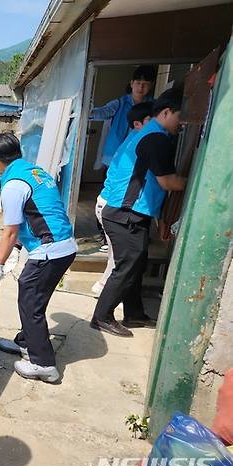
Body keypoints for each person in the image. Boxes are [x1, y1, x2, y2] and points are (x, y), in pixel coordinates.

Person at [91, 88, 187, 337]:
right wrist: (196, 182)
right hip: (125, 212)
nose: (182, 123)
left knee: (137, 262)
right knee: (127, 264)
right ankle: (101, 316)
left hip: (132, 211)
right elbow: (168, 182)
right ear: (166, 112)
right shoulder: (155, 139)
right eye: (180, 116)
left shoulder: (146, 133)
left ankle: (134, 314)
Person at [0, 132, 77, 383]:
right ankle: (26, 342)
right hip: (63, 245)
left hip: (50, 250)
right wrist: (16, 251)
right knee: (33, 296)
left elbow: (11, 230)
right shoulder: (35, 172)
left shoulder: (13, 184)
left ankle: (43, 364)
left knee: (30, 301)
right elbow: (35, 214)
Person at [92, 101, 154, 296]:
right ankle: (103, 291)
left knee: (116, 256)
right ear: (138, 123)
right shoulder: (141, 142)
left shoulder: (133, 138)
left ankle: (106, 292)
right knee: (118, 258)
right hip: (111, 205)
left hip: (106, 202)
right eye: (153, 121)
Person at [91, 65, 156, 250]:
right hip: (116, 158)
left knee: (135, 197)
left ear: (150, 85)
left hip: (141, 160)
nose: (141, 87)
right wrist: (87, 109)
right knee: (108, 196)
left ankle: (130, 235)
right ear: (131, 84)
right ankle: (105, 236)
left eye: (145, 84)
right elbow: (101, 112)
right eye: (138, 83)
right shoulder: (120, 103)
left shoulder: (154, 106)